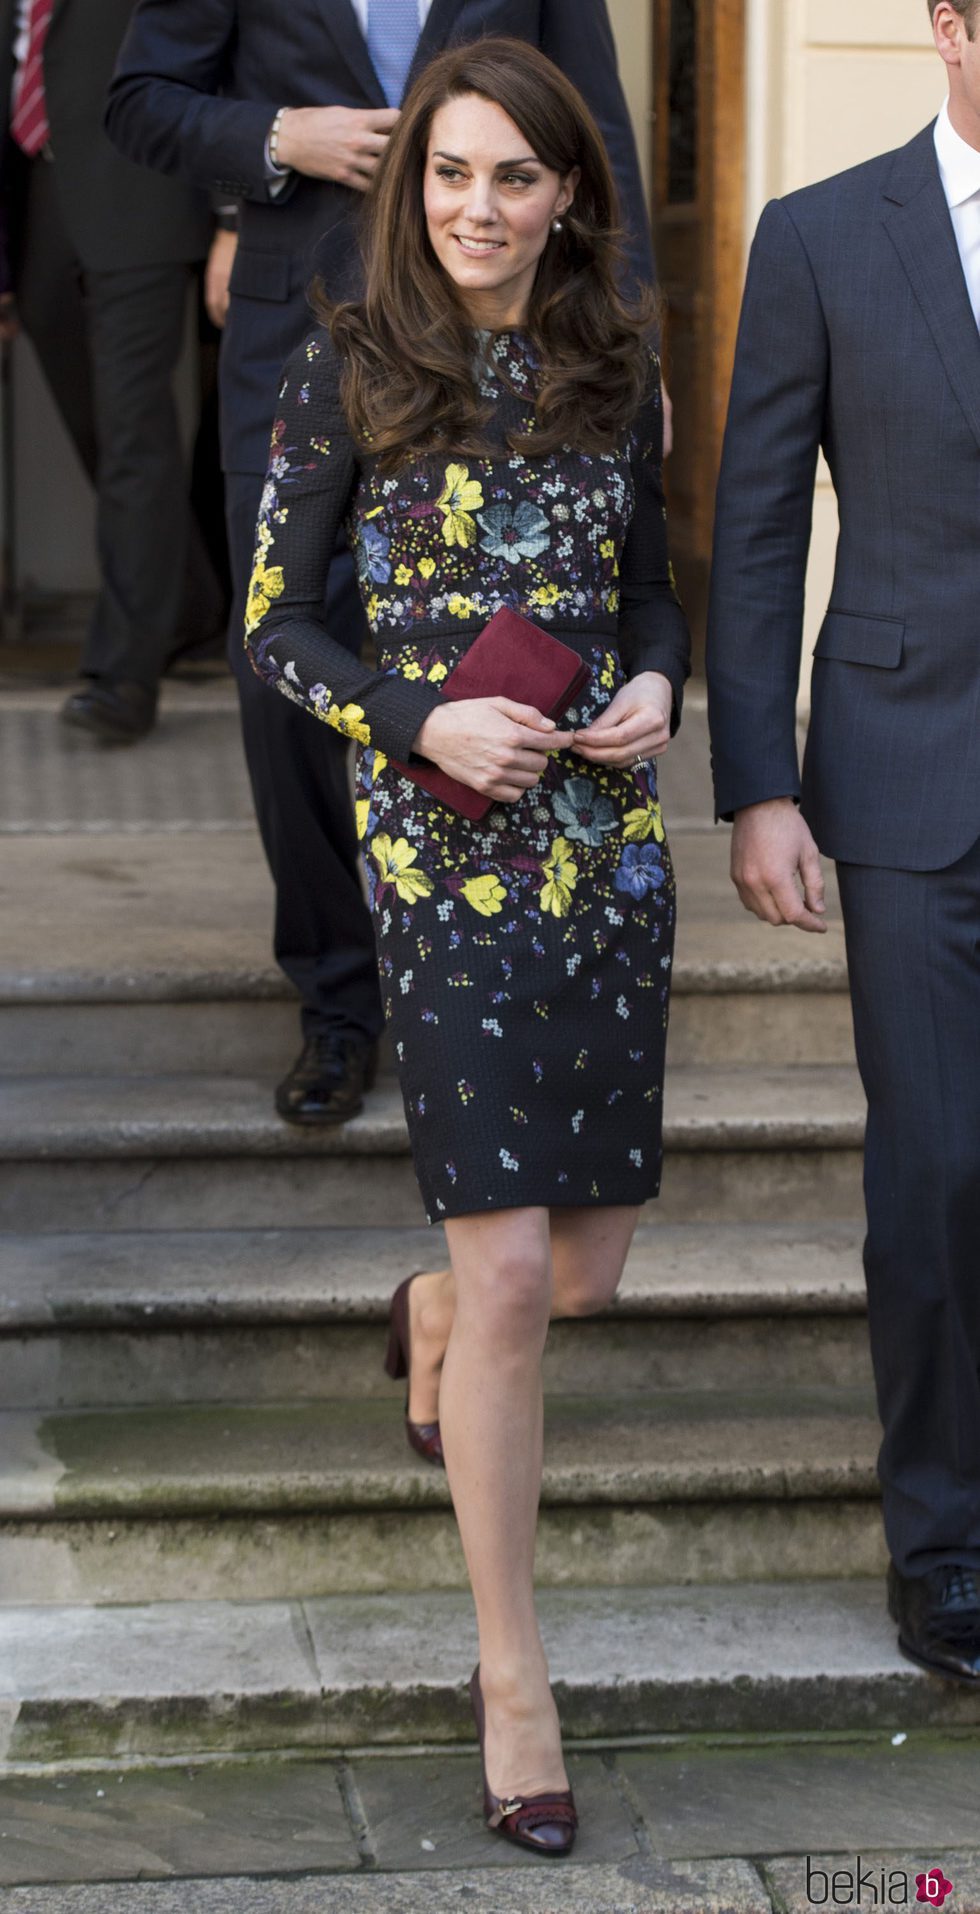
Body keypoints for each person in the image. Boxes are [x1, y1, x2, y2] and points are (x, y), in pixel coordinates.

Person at [245, 38, 689, 1848]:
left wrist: (661, 676)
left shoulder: (619, 366)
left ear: (569, 193)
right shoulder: (342, 368)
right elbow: (281, 625)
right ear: (406, 186)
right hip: (438, 859)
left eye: (515, 177)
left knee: (573, 1276)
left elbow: (650, 584)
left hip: (605, 854)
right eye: (449, 173)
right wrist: (416, 719)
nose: (477, 208)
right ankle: (516, 1675)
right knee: (519, 1279)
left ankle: (426, 1308)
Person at [106, 0, 659, 1125]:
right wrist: (276, 138)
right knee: (289, 681)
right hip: (294, 341)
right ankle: (341, 1004)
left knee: (506, 654)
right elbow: (139, 100)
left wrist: (633, 339)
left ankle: (486, 976)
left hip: (519, 357)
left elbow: (592, 128)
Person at [706, 0, 980, 1685]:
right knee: (938, 1167)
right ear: (950, 21)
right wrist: (759, 777)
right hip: (903, 776)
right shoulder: (818, 234)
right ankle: (946, 1546)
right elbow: (748, 523)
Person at [0, 0, 226, 740]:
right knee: (97, 422)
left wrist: (234, 213)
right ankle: (189, 599)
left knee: (134, 428)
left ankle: (125, 673)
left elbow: (220, 44)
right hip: (37, 192)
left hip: (140, 188)